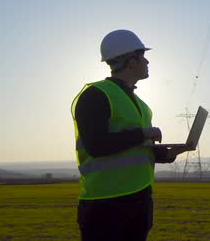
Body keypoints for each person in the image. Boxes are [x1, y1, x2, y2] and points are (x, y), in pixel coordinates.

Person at [71, 29, 189, 241]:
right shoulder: (95, 95)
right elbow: (97, 146)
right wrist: (142, 133)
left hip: (141, 200)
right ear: (131, 62)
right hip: (104, 204)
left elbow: (139, 148)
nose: (147, 62)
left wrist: (169, 154)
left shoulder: (142, 106)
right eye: (143, 56)